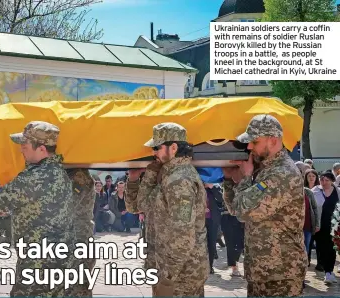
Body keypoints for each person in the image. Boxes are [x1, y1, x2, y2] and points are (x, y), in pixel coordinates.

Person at [0, 121, 76, 297]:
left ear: (41, 149)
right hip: (59, 258)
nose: (20, 150)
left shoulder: (36, 177)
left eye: (24, 146)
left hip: (38, 263)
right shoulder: (57, 171)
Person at [222, 114, 307, 296]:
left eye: (255, 141)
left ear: (273, 141)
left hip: (281, 274)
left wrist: (245, 179)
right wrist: (229, 180)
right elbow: (234, 208)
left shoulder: (282, 174)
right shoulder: (265, 170)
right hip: (262, 271)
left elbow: (243, 212)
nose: (250, 147)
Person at [126, 122, 208, 297]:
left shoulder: (179, 180)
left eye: (157, 147)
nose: (153, 152)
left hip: (181, 275)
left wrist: (167, 278)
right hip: (170, 269)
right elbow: (140, 206)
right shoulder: (168, 175)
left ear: (173, 148)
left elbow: (183, 235)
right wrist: (147, 174)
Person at [65, 168, 96, 296]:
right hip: (76, 234)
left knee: (78, 286)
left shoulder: (79, 175)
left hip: (78, 236)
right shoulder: (71, 174)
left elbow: (66, 206)